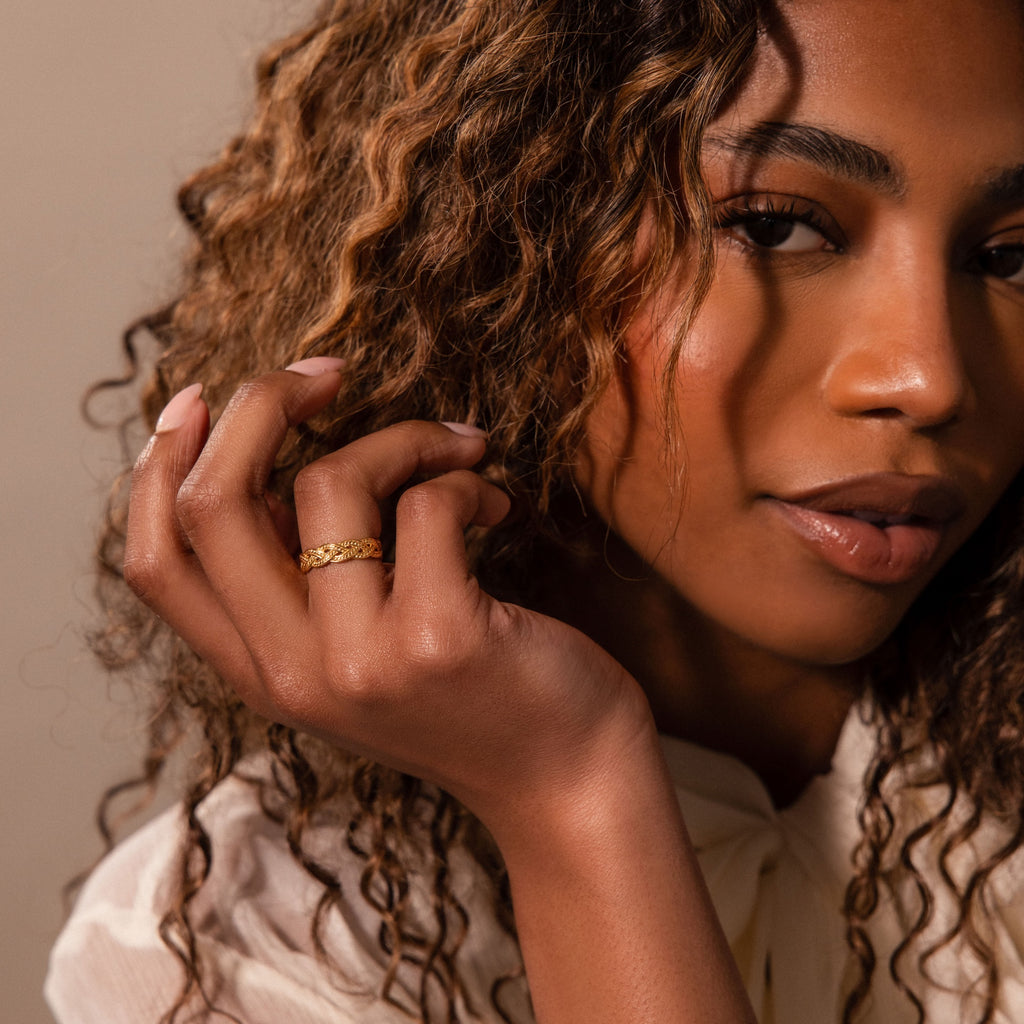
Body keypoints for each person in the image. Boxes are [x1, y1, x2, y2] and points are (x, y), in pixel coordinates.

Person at [45, 0, 1024, 1020]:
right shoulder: (246, 941)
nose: (928, 376)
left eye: (1011, 257)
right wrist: (572, 797)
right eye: (774, 226)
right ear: (497, 245)